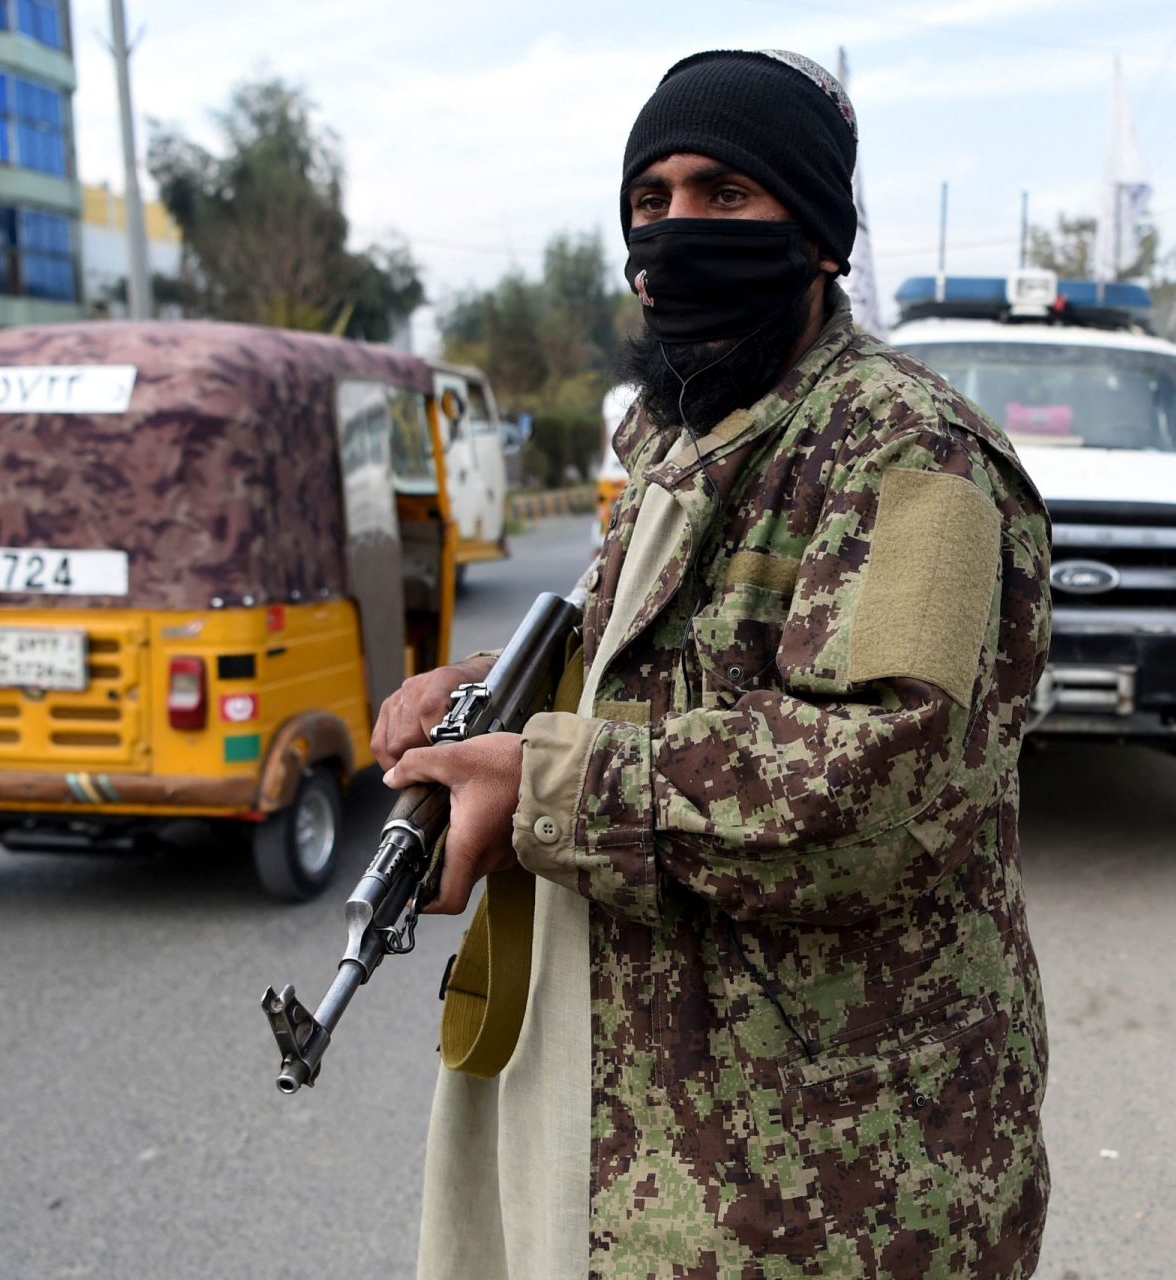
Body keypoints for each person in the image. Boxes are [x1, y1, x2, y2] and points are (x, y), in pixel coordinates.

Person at [372, 49, 1053, 1278]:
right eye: (654, 199)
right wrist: (484, 699)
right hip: (663, 1152)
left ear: (820, 235)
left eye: (725, 194)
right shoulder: (682, 442)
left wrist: (541, 782)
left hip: (834, 1184)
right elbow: (662, 665)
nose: (678, 229)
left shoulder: (911, 455)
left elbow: (881, 790)